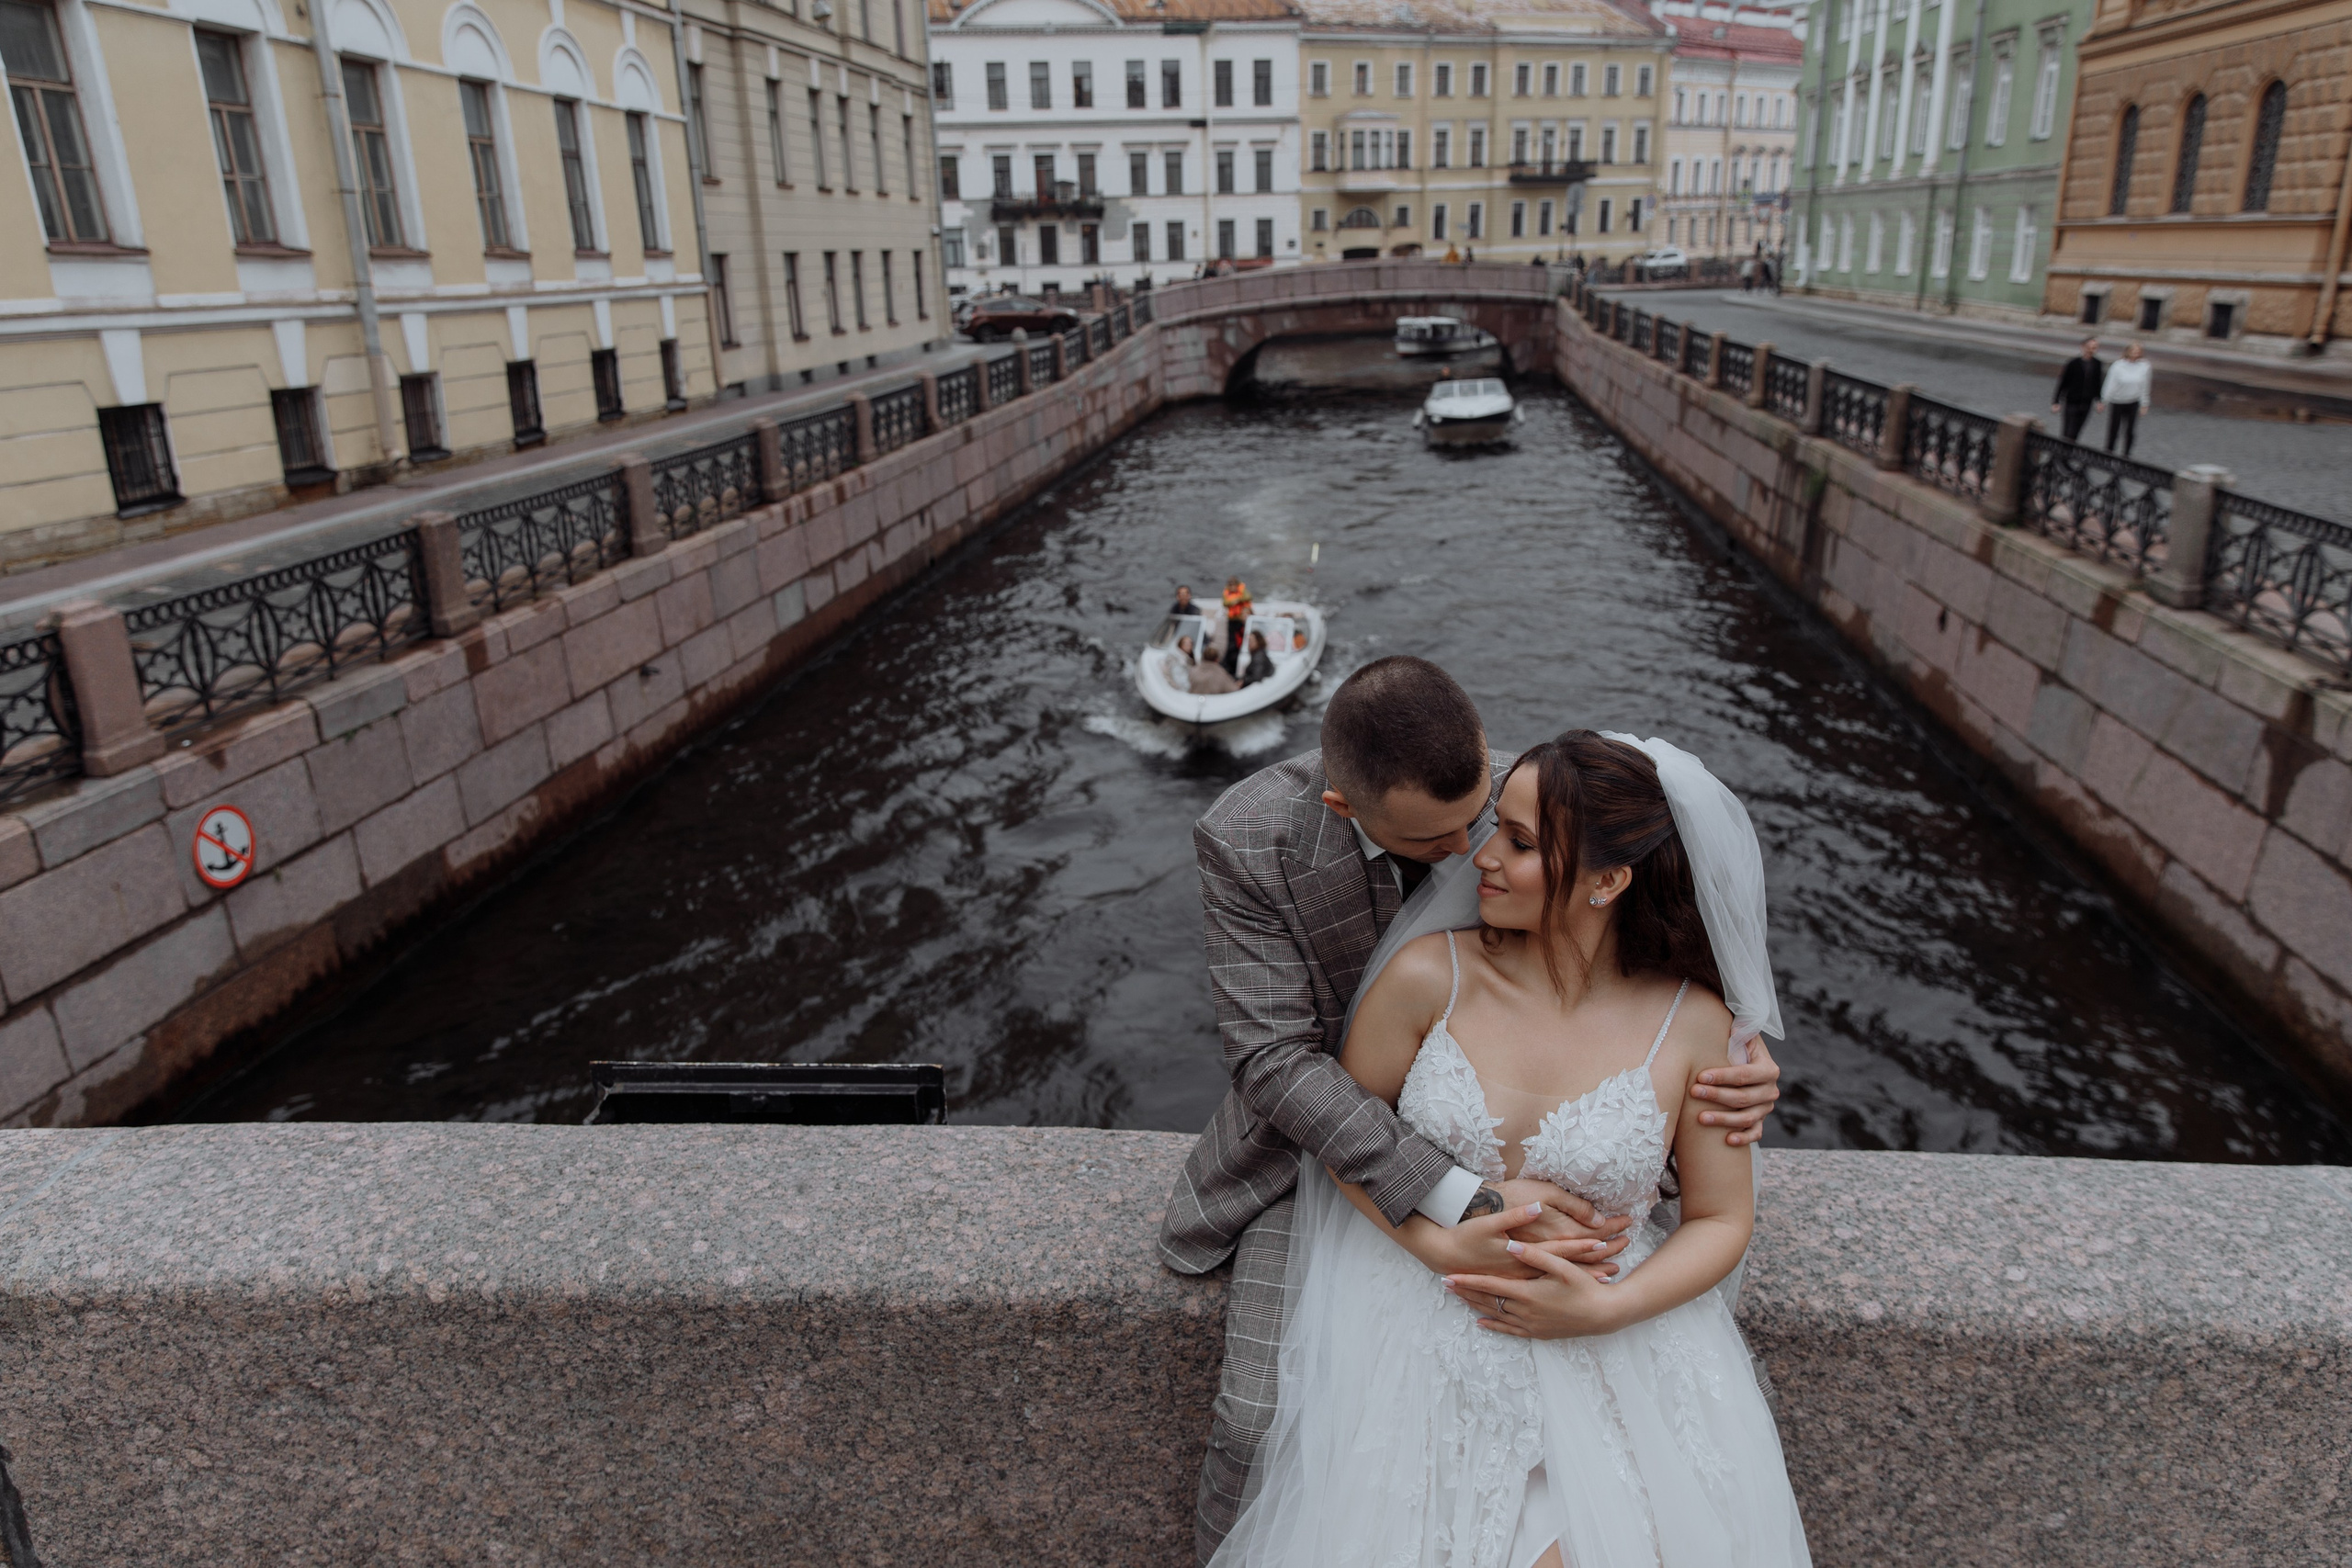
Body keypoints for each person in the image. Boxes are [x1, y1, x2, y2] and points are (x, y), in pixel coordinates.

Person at [1160, 658, 1784, 1562]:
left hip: (1576, 1244)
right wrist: (1450, 1217)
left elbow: (1619, 834)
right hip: (1341, 1156)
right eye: (1440, 839)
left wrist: (1743, 1043)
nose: (1472, 853)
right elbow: (1277, 1064)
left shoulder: (1522, 803)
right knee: (1261, 1419)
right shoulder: (1253, 842)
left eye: (1492, 824)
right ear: (1347, 812)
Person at [2050, 338, 2106, 444]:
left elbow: (2097, 383)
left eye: (2094, 348)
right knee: (2067, 431)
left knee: (2076, 432)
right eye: (2089, 347)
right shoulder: (2073, 363)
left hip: (2086, 402)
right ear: (2083, 347)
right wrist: (2056, 401)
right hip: (2072, 401)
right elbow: (2063, 382)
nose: (2091, 350)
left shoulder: (2097, 364)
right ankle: (2061, 456)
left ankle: (2068, 455)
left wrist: (2099, 400)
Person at [2101, 343, 2151, 457]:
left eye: (2138, 351)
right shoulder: (2118, 366)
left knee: (2130, 430)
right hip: (2118, 401)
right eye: (2133, 351)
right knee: (2114, 428)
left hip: (2133, 401)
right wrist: (2104, 400)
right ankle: (2109, 452)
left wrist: (2145, 403)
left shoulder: (2144, 366)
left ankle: (2126, 454)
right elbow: (2110, 383)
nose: (2135, 354)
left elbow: (2145, 385)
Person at [1221, 577, 1253, 655]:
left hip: (1242, 619)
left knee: (1243, 638)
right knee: (1232, 640)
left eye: (1233, 585)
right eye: (1230, 585)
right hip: (1232, 620)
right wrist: (1234, 601)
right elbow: (1225, 603)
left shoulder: (1242, 590)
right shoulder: (1226, 592)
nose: (1232, 587)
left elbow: (1248, 597)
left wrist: (1237, 599)